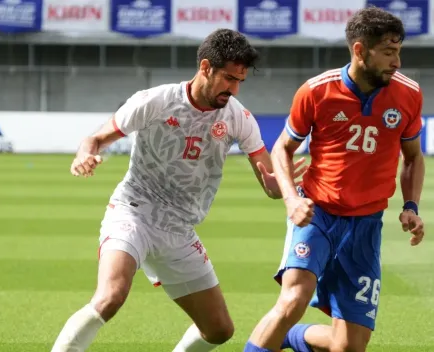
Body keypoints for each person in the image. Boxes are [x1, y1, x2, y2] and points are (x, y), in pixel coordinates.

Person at [50, 28, 307, 352]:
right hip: (134, 212)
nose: (234, 88)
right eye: (229, 78)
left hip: (180, 230)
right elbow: (96, 138)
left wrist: (285, 184)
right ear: (205, 68)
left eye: (240, 80)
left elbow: (269, 183)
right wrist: (85, 154)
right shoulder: (154, 101)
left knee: (218, 330)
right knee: (110, 296)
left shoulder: (238, 117)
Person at [244, 6, 425, 352]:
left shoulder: (408, 94)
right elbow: (282, 149)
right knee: (293, 298)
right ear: (360, 50)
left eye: (398, 52)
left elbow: (414, 157)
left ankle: (290, 339)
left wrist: (411, 206)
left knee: (348, 348)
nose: (397, 62)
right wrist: (291, 200)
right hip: (318, 212)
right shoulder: (316, 92)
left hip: (366, 225)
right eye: (388, 53)